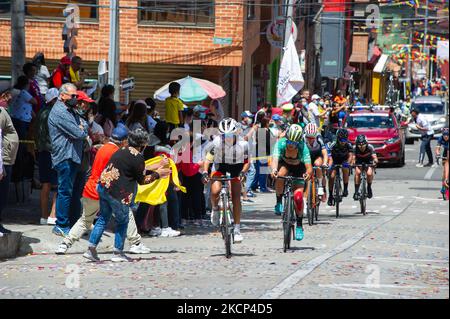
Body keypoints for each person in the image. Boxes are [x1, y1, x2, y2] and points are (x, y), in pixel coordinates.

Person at [56, 125, 165, 255]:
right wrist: (158, 169)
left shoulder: (103, 148)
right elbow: (134, 167)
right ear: (125, 141)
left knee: (85, 220)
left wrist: (156, 166)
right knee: (126, 215)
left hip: (91, 188)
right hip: (107, 190)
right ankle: (135, 244)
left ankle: (65, 244)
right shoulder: (118, 152)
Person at [83, 129, 165, 262]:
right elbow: (142, 180)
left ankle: (91, 250)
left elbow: (136, 170)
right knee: (122, 222)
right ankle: (118, 252)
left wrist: (155, 169)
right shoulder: (138, 157)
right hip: (117, 194)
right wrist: (158, 174)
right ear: (142, 144)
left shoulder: (122, 150)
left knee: (103, 218)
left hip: (104, 187)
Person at [48, 83, 89, 236]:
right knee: (65, 191)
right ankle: (61, 225)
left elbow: (84, 125)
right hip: (65, 156)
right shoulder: (59, 111)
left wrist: (81, 127)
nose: (75, 98)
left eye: (76, 96)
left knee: (73, 192)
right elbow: (79, 133)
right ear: (62, 95)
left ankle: (72, 224)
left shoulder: (70, 110)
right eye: (72, 96)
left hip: (73, 155)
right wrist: (80, 129)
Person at [202, 118, 250, 243]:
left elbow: (247, 163)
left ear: (235, 134)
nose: (226, 137)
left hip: (236, 167)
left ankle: (237, 229)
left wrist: (243, 173)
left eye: (229, 135)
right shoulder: (216, 142)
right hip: (221, 166)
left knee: (235, 196)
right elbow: (208, 160)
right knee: (215, 191)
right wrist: (205, 173)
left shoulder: (243, 144)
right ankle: (215, 208)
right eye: (224, 135)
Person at [271, 124, 312, 241]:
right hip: (285, 165)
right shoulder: (281, 143)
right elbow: (275, 160)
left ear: (298, 142)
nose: (290, 145)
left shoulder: (303, 148)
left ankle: (299, 225)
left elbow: (309, 167)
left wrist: (307, 174)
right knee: (280, 175)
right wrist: (274, 170)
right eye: (289, 141)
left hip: (299, 169)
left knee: (298, 198)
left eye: (294, 143)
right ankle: (279, 202)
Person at [34, 88, 59, 225]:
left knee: (45, 184)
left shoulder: (40, 113)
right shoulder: (53, 114)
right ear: (54, 100)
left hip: (42, 152)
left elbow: (35, 132)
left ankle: (43, 216)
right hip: (53, 152)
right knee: (57, 185)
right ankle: (52, 215)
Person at [0, 88, 19, 234]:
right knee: (1, 195)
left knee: (3, 195)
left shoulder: (3, 112)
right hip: (3, 161)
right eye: (7, 95)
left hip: (6, 160)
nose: (9, 98)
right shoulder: (1, 113)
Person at [327, 129, 354, 207]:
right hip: (334, 160)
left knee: (345, 169)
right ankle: (330, 195)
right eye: (341, 140)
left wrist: (348, 163)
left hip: (344, 160)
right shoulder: (333, 144)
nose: (343, 141)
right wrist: (329, 166)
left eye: (345, 139)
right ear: (338, 138)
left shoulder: (348, 144)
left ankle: (345, 189)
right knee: (332, 176)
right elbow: (330, 157)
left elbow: (351, 155)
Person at [304, 123, 328, 198]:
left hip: (317, 155)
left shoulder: (319, 138)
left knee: (317, 164)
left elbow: (324, 153)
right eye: (308, 137)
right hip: (306, 156)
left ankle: (320, 185)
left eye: (312, 138)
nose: (310, 139)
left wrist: (324, 163)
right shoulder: (302, 139)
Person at [352, 135, 378, 200]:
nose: (361, 147)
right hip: (359, 161)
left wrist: (375, 161)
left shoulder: (370, 147)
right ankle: (356, 191)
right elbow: (353, 158)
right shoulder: (354, 148)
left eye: (363, 145)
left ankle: (369, 187)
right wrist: (352, 163)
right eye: (359, 145)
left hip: (368, 161)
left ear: (366, 143)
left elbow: (375, 157)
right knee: (357, 172)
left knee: (369, 173)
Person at [436, 128, 449, 196]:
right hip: (445, 152)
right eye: (444, 135)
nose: (446, 136)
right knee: (444, 171)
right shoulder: (440, 138)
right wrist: (438, 154)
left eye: (447, 135)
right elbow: (437, 148)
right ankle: (443, 186)